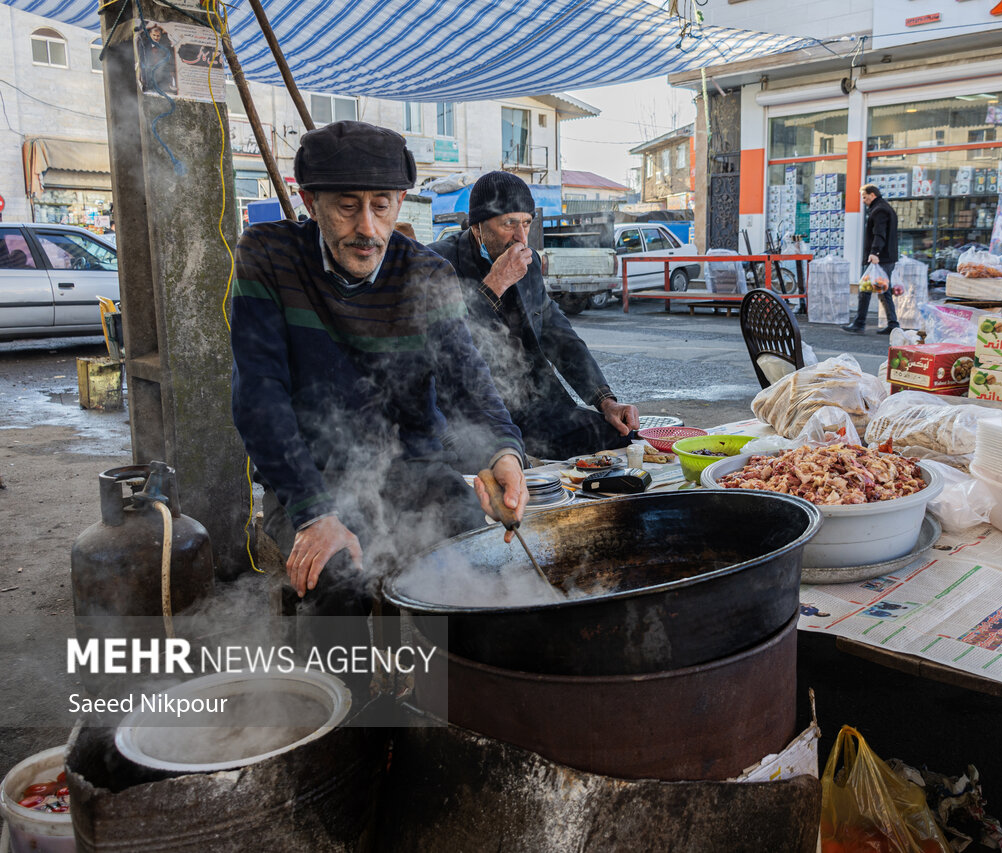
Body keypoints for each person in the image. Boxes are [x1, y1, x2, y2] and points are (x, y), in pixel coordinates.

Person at [229, 121, 527, 653]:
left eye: (382, 205)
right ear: (309, 200)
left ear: (401, 202)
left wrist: (504, 454)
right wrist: (314, 514)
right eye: (347, 206)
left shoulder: (426, 274)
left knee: (482, 560)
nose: (368, 228)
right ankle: (347, 726)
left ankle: (446, 706)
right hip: (309, 481)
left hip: (416, 473)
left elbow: (468, 382)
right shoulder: (268, 256)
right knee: (337, 580)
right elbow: (259, 396)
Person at [429, 172, 639, 465]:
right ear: (477, 226)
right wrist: (494, 286)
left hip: (533, 404)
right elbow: (441, 343)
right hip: (472, 414)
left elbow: (558, 333)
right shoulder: (437, 264)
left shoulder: (530, 264)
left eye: (526, 223)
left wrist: (605, 399)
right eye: (508, 224)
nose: (521, 237)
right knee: (508, 468)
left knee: (618, 439)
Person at [844, 184, 900, 335]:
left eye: (864, 196)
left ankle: (860, 322)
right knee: (883, 290)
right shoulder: (885, 207)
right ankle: (892, 324)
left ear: (872, 195)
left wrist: (874, 252)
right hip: (887, 257)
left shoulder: (879, 210)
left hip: (880, 257)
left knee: (865, 288)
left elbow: (879, 233)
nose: (863, 200)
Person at [136, 22, 176, 96]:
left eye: (158, 36)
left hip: (163, 77)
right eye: (154, 35)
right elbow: (142, 61)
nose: (156, 37)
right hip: (149, 76)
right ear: (150, 35)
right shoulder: (144, 46)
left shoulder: (165, 47)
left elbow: (170, 60)